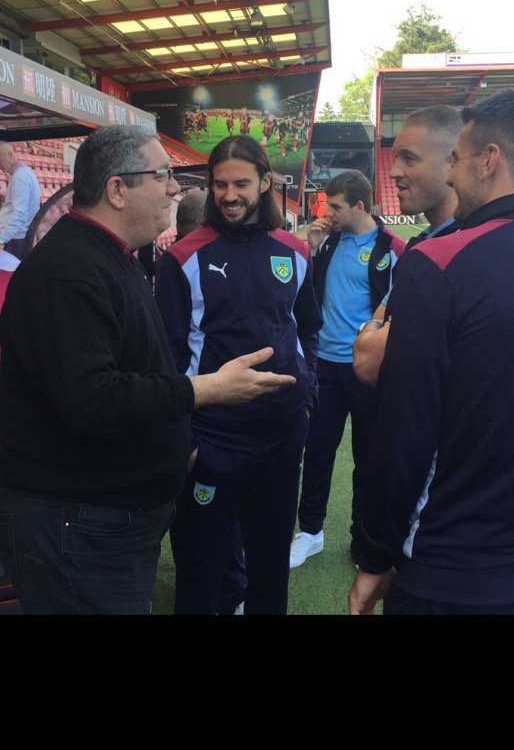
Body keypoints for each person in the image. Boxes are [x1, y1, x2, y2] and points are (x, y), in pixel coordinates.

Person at [0, 126, 296, 615]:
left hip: (102, 520)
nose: (177, 189)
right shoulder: (68, 270)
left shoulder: (107, 257)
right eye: (162, 175)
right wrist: (206, 390)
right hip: (78, 525)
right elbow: (93, 400)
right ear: (117, 190)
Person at [349, 85, 514, 615]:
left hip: (456, 574)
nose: (449, 174)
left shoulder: (437, 263)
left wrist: (374, 554)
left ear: (488, 162)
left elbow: (405, 429)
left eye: (456, 159)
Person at [155, 134, 322, 614]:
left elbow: (307, 328)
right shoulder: (182, 258)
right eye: (220, 184)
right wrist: (187, 441)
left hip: (281, 439)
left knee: (269, 572)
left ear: (266, 181)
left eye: (242, 183)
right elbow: (165, 358)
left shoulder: (295, 251)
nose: (230, 195)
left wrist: (306, 396)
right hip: (214, 444)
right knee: (204, 578)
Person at [290, 170, 406, 568]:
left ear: (359, 205)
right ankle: (310, 533)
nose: (328, 212)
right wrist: (313, 249)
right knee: (317, 450)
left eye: (335, 206)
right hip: (324, 367)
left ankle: (363, 539)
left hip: (368, 371)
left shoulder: (393, 249)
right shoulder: (330, 241)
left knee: (369, 459)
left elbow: (400, 309)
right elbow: (306, 296)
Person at [156, 187, 247, 615]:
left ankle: (227, 592)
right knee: (206, 532)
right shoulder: (178, 264)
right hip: (199, 428)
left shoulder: (195, 262)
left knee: (210, 532)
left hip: (205, 430)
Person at [353, 106, 462, 386]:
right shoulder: (424, 243)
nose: (393, 172)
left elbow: (367, 361)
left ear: (453, 163)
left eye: (409, 159)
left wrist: (371, 329)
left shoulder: (457, 255)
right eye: (396, 157)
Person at [0, 142, 40, 259]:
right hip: (16, 239)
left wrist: (2, 239)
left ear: (10, 155)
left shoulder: (20, 178)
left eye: (0, 160)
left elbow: (19, 213)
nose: (0, 167)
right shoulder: (25, 173)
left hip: (14, 241)